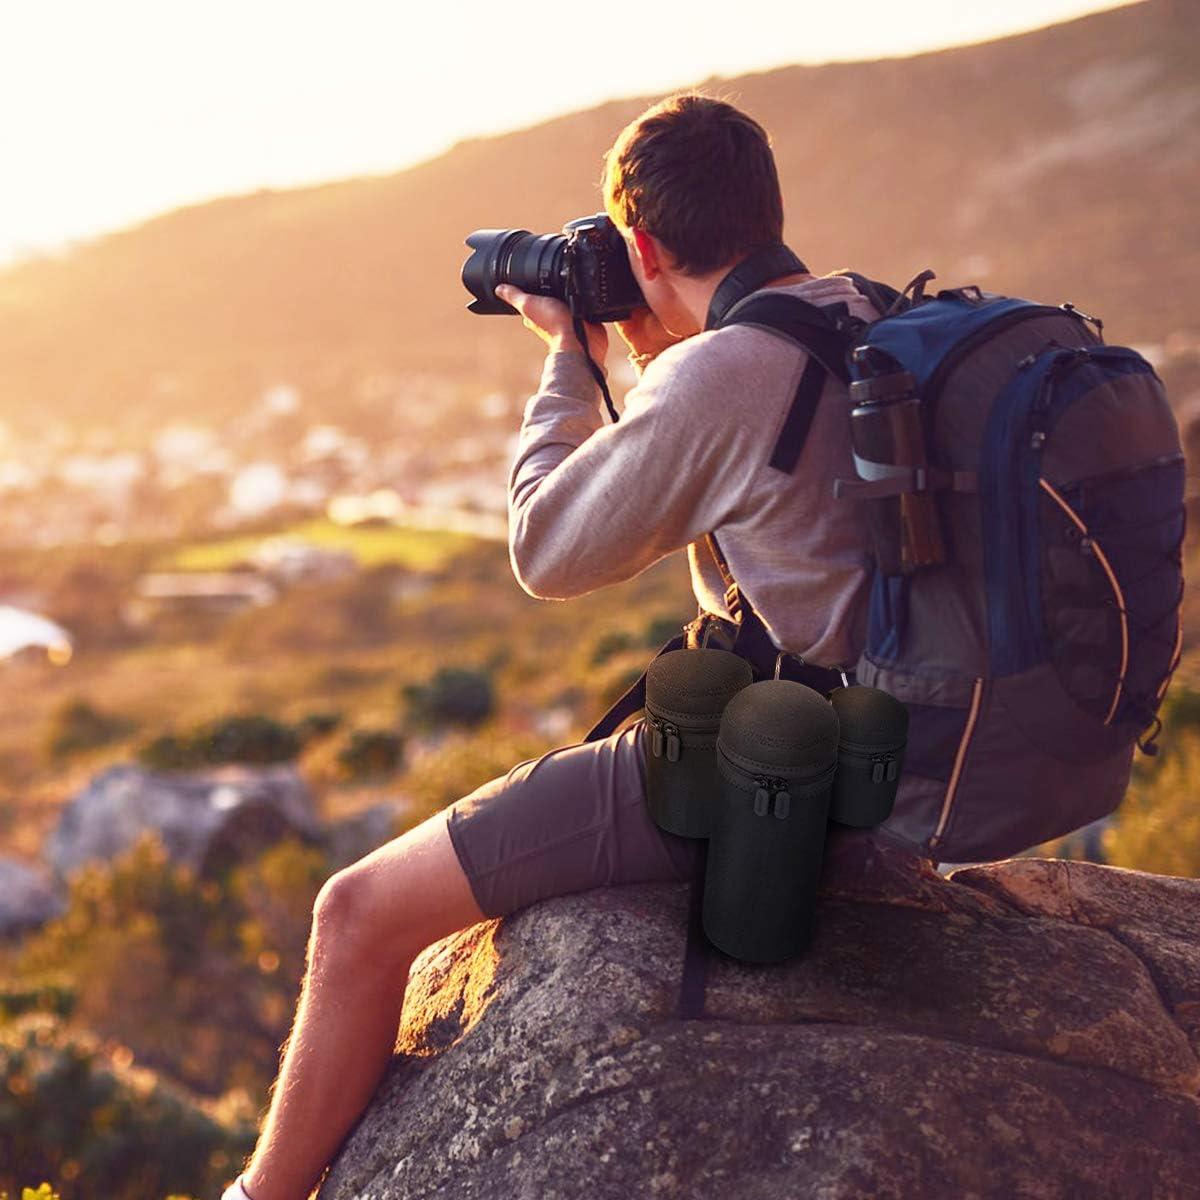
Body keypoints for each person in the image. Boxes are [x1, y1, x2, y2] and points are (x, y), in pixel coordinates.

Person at [223, 91, 902, 1200]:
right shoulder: (865, 313)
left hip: (782, 779)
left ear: (639, 245)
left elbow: (548, 550)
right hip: (903, 748)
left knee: (355, 911)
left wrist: (569, 359)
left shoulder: (726, 370)